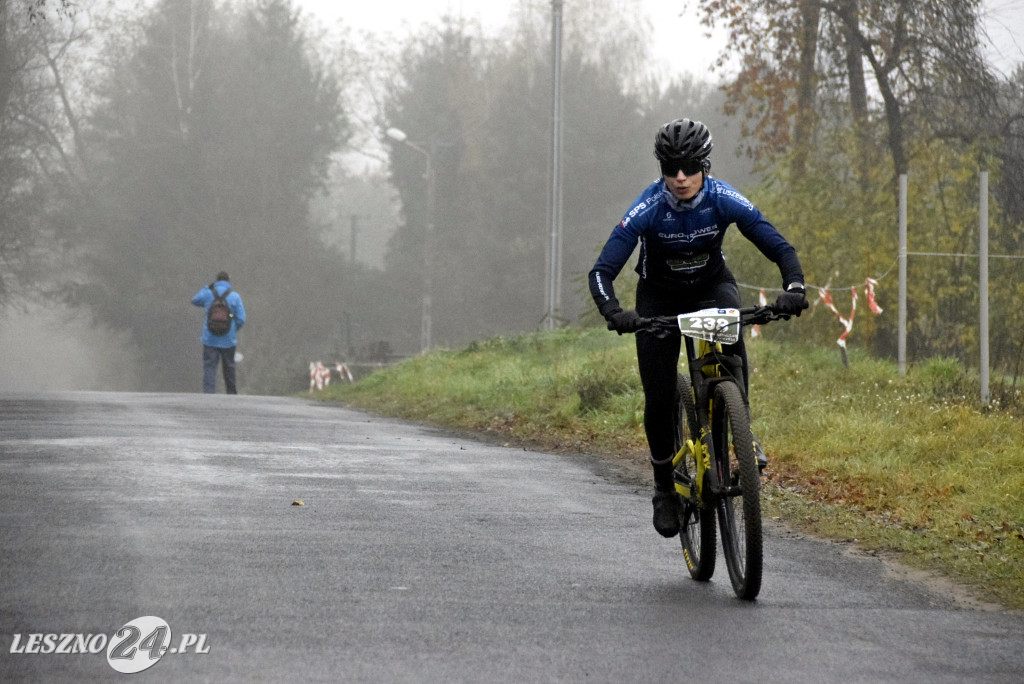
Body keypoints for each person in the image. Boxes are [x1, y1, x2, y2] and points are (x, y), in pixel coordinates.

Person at [588, 118, 809, 538]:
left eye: (689, 167)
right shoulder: (649, 206)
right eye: (670, 169)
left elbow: (778, 245)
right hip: (658, 299)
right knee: (658, 393)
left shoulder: (723, 198)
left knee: (731, 347)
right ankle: (663, 490)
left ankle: (740, 435)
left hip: (710, 288)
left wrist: (794, 287)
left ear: (704, 164)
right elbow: (602, 271)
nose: (680, 177)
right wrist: (614, 311)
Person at [191, 271, 246, 394]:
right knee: (229, 368)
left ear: (216, 281)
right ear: (228, 281)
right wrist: (233, 329)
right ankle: (231, 395)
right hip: (228, 340)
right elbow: (241, 319)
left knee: (210, 368)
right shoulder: (234, 296)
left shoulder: (208, 294)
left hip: (210, 338)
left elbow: (194, 300)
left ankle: (209, 395)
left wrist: (207, 287)